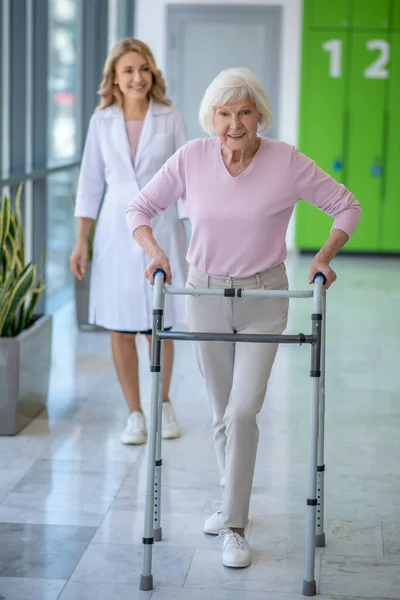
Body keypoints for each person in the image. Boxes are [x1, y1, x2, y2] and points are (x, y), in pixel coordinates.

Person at [125, 67, 362, 568]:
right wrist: (155, 253)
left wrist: (323, 258)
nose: (235, 124)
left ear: (261, 116)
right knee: (218, 414)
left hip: (263, 297)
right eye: (225, 113)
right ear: (212, 118)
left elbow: (346, 206)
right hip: (203, 291)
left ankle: (235, 524)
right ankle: (228, 501)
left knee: (242, 412)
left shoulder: (286, 162)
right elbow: (139, 208)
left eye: (245, 112)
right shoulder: (191, 157)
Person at [70, 38, 188, 445]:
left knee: (161, 324)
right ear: (115, 80)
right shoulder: (100, 121)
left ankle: (164, 404)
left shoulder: (171, 117)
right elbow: (88, 185)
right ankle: (135, 414)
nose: (138, 77)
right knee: (121, 328)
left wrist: (196, 235)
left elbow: (187, 182)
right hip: (116, 234)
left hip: (163, 227)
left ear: (152, 72)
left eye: (143, 69)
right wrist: (80, 242)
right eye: (128, 71)